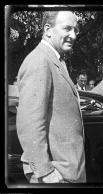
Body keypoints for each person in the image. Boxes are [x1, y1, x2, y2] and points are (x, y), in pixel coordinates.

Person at [16, 11, 86, 183]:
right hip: (55, 176)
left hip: (67, 172)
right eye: (67, 29)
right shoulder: (39, 61)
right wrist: (45, 171)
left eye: (76, 30)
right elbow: (29, 123)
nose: (73, 35)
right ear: (48, 30)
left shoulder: (56, 61)